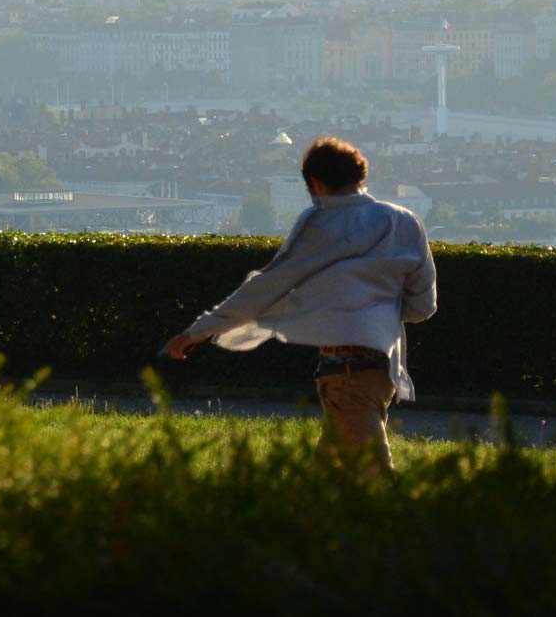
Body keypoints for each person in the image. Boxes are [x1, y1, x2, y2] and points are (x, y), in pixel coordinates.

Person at [163, 136, 436, 472]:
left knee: (375, 477)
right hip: (382, 371)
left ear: (316, 184)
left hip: (344, 370)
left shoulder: (318, 223)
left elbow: (265, 287)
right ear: (359, 176)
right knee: (325, 479)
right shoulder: (405, 221)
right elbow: (423, 307)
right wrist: (381, 312)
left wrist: (198, 331)